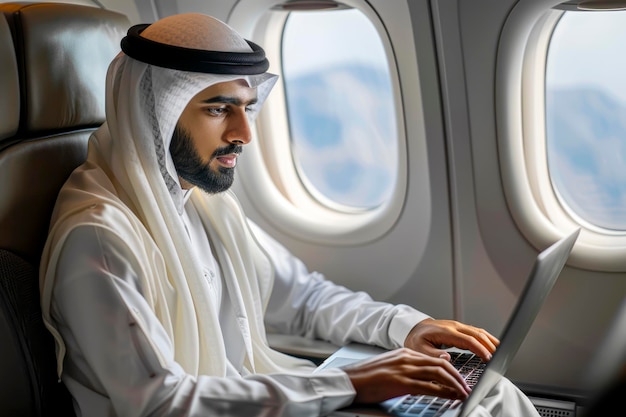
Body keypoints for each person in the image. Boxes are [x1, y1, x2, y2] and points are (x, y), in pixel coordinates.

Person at [39, 12, 541, 417]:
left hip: (254, 399)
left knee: (487, 397)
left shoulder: (204, 207)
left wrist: (404, 326)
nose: (244, 133)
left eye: (246, 108)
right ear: (157, 112)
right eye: (218, 109)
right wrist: (349, 383)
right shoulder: (100, 237)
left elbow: (300, 296)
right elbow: (157, 401)